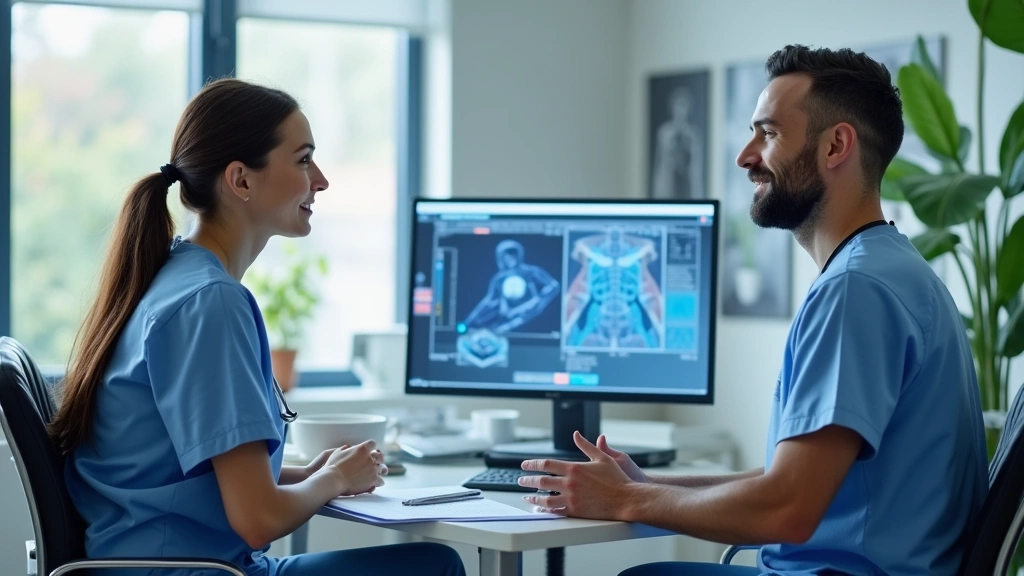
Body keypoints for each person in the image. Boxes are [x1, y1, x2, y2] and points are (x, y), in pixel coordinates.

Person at [518, 45, 988, 576]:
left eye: (768, 134)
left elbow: (788, 508)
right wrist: (643, 486)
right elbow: (786, 482)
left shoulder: (856, 290)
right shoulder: (889, 270)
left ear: (836, 145)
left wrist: (626, 502)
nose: (745, 156)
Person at [48, 78, 466, 576]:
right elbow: (258, 518)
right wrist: (331, 481)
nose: (322, 180)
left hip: (151, 565)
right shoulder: (211, 304)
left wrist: (312, 473)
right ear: (241, 180)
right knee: (434, 565)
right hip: (191, 572)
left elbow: (192, 474)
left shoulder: (175, 279)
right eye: (304, 159)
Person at [651, 86, 703, 199]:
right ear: (672, 107)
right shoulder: (664, 133)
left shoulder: (693, 135)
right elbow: (659, 165)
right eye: (677, 105)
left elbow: (696, 168)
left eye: (683, 106)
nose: (680, 110)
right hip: (668, 185)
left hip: (687, 187)